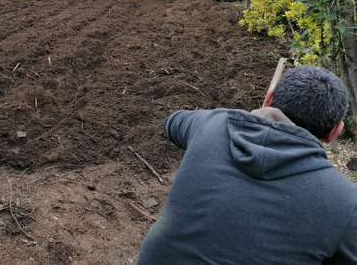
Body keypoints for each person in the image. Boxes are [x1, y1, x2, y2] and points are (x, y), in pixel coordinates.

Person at [137, 66, 357, 265]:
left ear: (269, 99)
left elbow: (173, 122)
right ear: (334, 132)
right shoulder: (346, 202)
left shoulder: (212, 124)